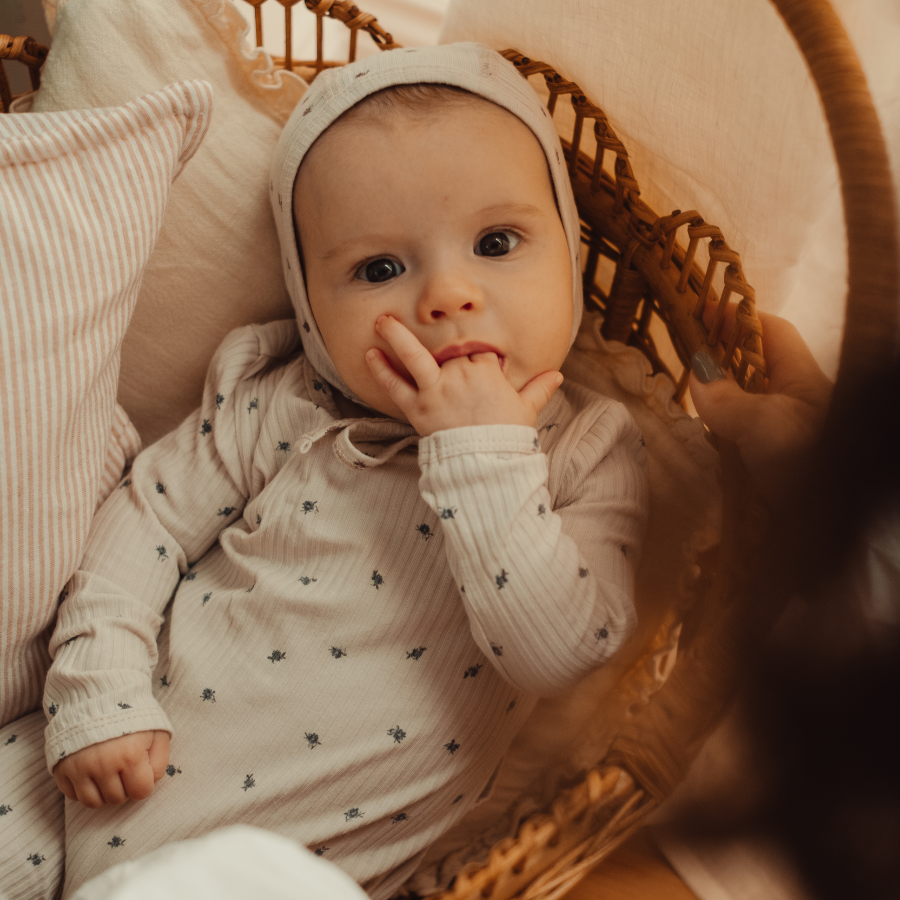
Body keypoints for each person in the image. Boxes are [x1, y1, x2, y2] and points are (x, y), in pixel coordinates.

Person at [0, 43, 648, 900]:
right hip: (72, 777)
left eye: (497, 242)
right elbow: (141, 526)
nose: (447, 295)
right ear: (310, 307)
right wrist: (97, 694)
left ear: (568, 250)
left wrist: (481, 449)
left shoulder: (584, 453)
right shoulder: (282, 402)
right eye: (380, 269)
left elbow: (557, 653)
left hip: (282, 863)